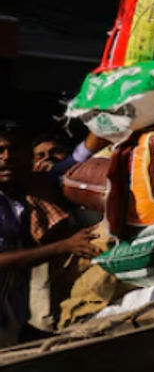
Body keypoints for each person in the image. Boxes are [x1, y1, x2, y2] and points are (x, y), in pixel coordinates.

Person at [0, 126, 99, 346]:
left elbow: (81, 154)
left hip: (14, 325)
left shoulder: (31, 188)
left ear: (25, 154)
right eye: (0, 151)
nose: (6, 158)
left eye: (13, 149)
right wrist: (63, 246)